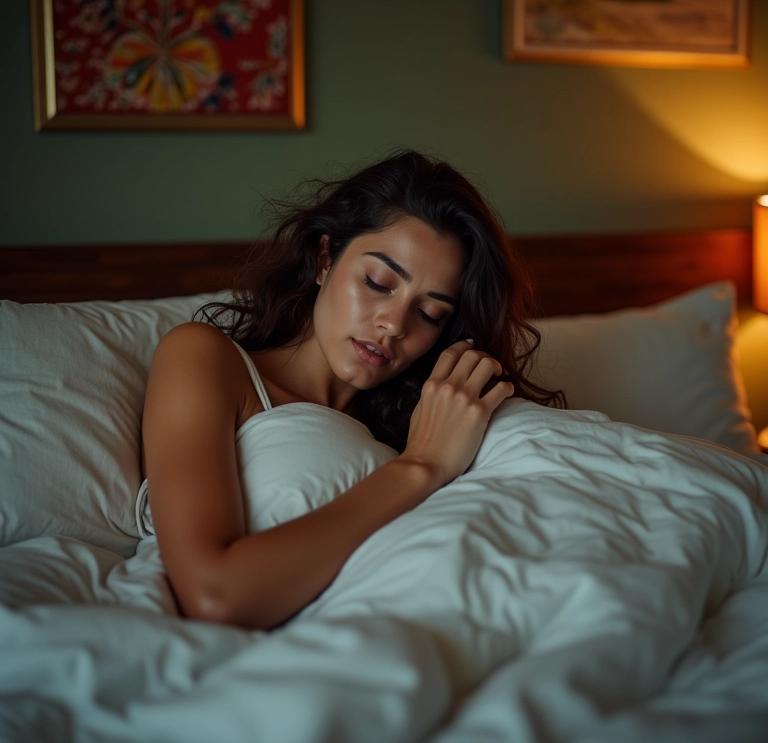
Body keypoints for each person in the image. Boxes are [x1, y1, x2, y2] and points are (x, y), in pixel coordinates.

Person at [141, 149, 564, 630]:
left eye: (430, 314)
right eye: (379, 282)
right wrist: (421, 466)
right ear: (325, 259)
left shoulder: (425, 420)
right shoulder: (206, 359)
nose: (393, 324)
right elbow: (214, 595)